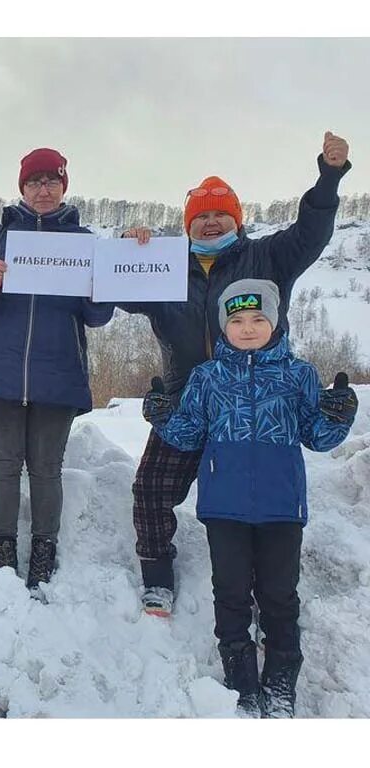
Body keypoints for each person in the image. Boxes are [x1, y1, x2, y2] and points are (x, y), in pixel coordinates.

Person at [119, 131, 351, 617]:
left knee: (259, 505)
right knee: (152, 489)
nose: (209, 222)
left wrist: (328, 178)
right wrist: (127, 252)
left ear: (236, 220)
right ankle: (157, 574)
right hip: (188, 399)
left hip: (258, 402)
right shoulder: (163, 266)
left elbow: (311, 233)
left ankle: (270, 596)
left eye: (219, 214)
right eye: (200, 216)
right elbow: (108, 292)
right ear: (187, 224)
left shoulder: (266, 257)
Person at [142, 279, 357, 717]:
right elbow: (189, 434)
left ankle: (280, 685)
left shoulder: (299, 375)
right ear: (224, 326)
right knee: (232, 593)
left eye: (258, 318)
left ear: (275, 322)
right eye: (237, 320)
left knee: (280, 595)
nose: (247, 328)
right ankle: (241, 682)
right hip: (225, 506)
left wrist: (338, 416)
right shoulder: (207, 378)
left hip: (282, 506)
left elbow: (317, 435)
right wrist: (162, 415)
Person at [0, 148, 118, 588]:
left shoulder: (83, 240)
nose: (43, 190)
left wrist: (97, 290)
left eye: (51, 181)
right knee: (4, 466)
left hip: (56, 373)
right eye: (34, 182)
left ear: (64, 185)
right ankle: (2, 553)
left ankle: (44, 552)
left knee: (47, 469)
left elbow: (98, 316)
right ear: (21, 187)